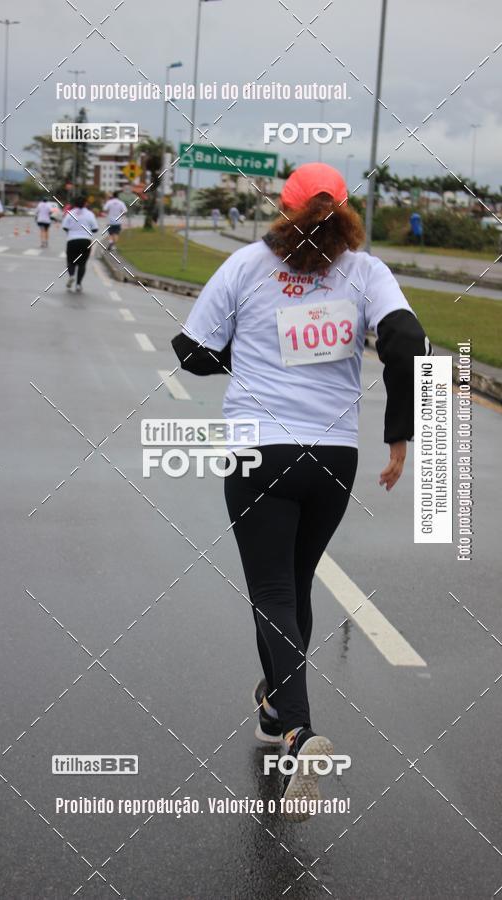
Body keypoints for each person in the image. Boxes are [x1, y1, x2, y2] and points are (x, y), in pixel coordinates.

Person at [171, 163, 432, 822]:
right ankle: (271, 707)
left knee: (273, 592)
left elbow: (191, 353)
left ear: (283, 208)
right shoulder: (366, 271)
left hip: (261, 449)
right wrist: (398, 435)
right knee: (295, 583)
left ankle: (298, 732)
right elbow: (409, 342)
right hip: (334, 457)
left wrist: (250, 352)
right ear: (344, 209)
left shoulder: (246, 265)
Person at [61, 196, 98, 292]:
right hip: (85, 240)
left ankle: (71, 276)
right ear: (86, 203)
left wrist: (71, 231)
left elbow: (64, 227)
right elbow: (95, 228)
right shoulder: (90, 214)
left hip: (72, 240)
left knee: (70, 261)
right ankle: (78, 284)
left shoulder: (70, 213)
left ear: (75, 203)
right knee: (82, 264)